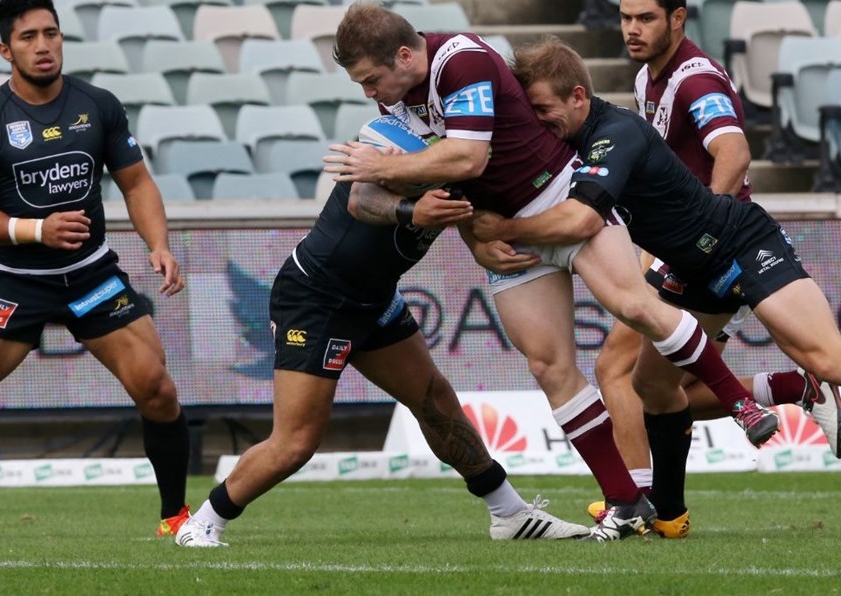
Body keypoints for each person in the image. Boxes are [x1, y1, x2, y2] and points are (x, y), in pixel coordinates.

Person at [467, 37, 841, 535]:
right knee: (652, 385)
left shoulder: (615, 131)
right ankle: (669, 514)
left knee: (827, 357)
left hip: (741, 243)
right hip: (691, 269)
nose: (538, 121)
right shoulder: (574, 139)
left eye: (543, 109)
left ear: (578, 96)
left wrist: (502, 230)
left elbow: (582, 220)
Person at [322, 2, 779, 541]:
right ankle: (625, 501)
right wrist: (472, 238)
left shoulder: (460, 60)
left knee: (635, 305)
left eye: (371, 79)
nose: (369, 93)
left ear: (404, 55)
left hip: (560, 197)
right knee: (549, 366)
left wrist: (384, 165)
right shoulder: (397, 101)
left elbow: (468, 159)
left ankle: (742, 405)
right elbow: (416, 191)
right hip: (507, 234)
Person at [174, 173, 590, 547]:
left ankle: (510, 512)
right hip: (317, 300)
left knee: (435, 401)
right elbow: (362, 196)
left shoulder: (471, 150)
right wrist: (412, 210)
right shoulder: (402, 137)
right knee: (295, 443)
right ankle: (204, 522)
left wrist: (482, 245)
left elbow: (468, 213)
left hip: (374, 298)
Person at [585, 0, 841, 534]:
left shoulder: (695, 79)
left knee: (617, 369)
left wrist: (697, 237)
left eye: (645, 18)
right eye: (625, 17)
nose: (631, 29)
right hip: (692, 246)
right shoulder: (648, 78)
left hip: (709, 247)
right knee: (673, 386)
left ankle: (636, 500)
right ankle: (794, 387)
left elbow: (733, 153)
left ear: (678, 18)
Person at [0, 0, 190, 535]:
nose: (43, 46)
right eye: (28, 37)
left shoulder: (97, 105)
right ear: (6, 50)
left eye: (51, 33)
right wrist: (38, 229)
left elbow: (136, 183)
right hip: (17, 282)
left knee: (158, 390)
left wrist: (158, 244)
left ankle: (177, 518)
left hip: (92, 278)